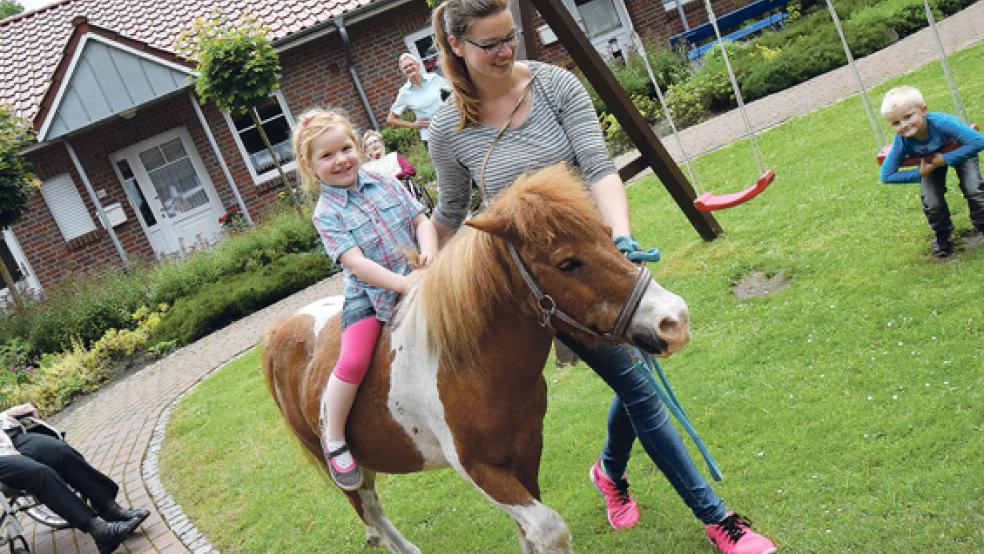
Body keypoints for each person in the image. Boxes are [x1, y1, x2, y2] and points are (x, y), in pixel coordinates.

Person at [426, 2, 776, 553]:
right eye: (489, 43)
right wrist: (425, 263)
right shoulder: (448, 128)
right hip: (538, 289)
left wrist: (618, 234)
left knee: (636, 377)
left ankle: (610, 470)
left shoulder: (555, 88)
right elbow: (451, 207)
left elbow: (598, 167)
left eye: (509, 36)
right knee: (638, 383)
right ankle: (719, 521)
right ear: (456, 47)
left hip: (594, 263)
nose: (505, 50)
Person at [291, 108, 438, 491]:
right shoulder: (326, 215)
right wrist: (406, 287)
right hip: (370, 298)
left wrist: (430, 257)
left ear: (357, 146)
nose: (340, 160)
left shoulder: (385, 181)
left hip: (421, 275)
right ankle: (335, 436)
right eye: (327, 156)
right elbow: (356, 264)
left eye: (345, 148)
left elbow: (421, 220)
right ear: (310, 166)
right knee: (353, 360)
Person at [0, 403, 149, 554]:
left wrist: (10, 414)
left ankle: (109, 508)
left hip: (6, 438)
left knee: (61, 452)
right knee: (39, 473)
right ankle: (100, 531)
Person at [879, 85, 984, 257]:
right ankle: (942, 236)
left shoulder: (943, 124)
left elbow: (979, 141)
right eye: (896, 123)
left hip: (960, 149)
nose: (904, 125)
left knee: (973, 188)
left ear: (923, 110)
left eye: (908, 117)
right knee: (931, 200)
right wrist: (920, 173)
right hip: (929, 162)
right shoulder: (902, 141)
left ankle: (982, 224)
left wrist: (945, 159)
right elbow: (886, 175)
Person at [386, 53, 452, 148]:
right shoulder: (404, 93)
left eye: (411, 64)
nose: (409, 68)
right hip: (431, 137)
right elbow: (391, 119)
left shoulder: (434, 78)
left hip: (450, 127)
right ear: (403, 71)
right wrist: (413, 125)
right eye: (405, 67)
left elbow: (454, 92)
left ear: (417, 65)